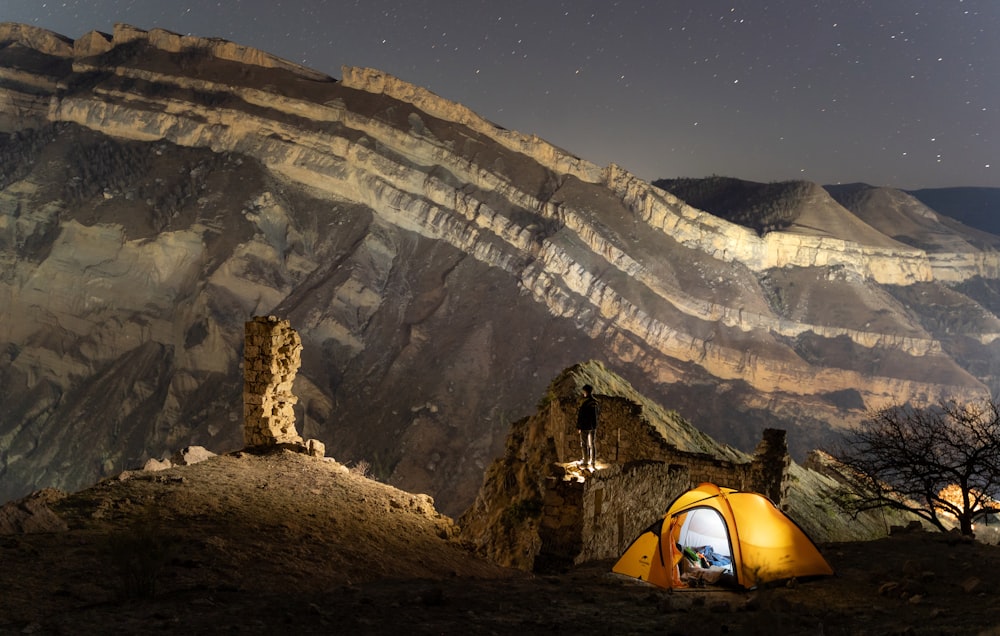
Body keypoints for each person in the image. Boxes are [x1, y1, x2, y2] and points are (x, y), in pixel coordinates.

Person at [576, 384, 599, 470]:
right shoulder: (596, 402)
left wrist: (579, 426)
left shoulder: (584, 403)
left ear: (585, 392)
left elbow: (581, 415)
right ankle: (593, 462)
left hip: (585, 426)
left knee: (584, 444)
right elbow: (597, 415)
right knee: (592, 444)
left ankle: (585, 462)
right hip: (593, 426)